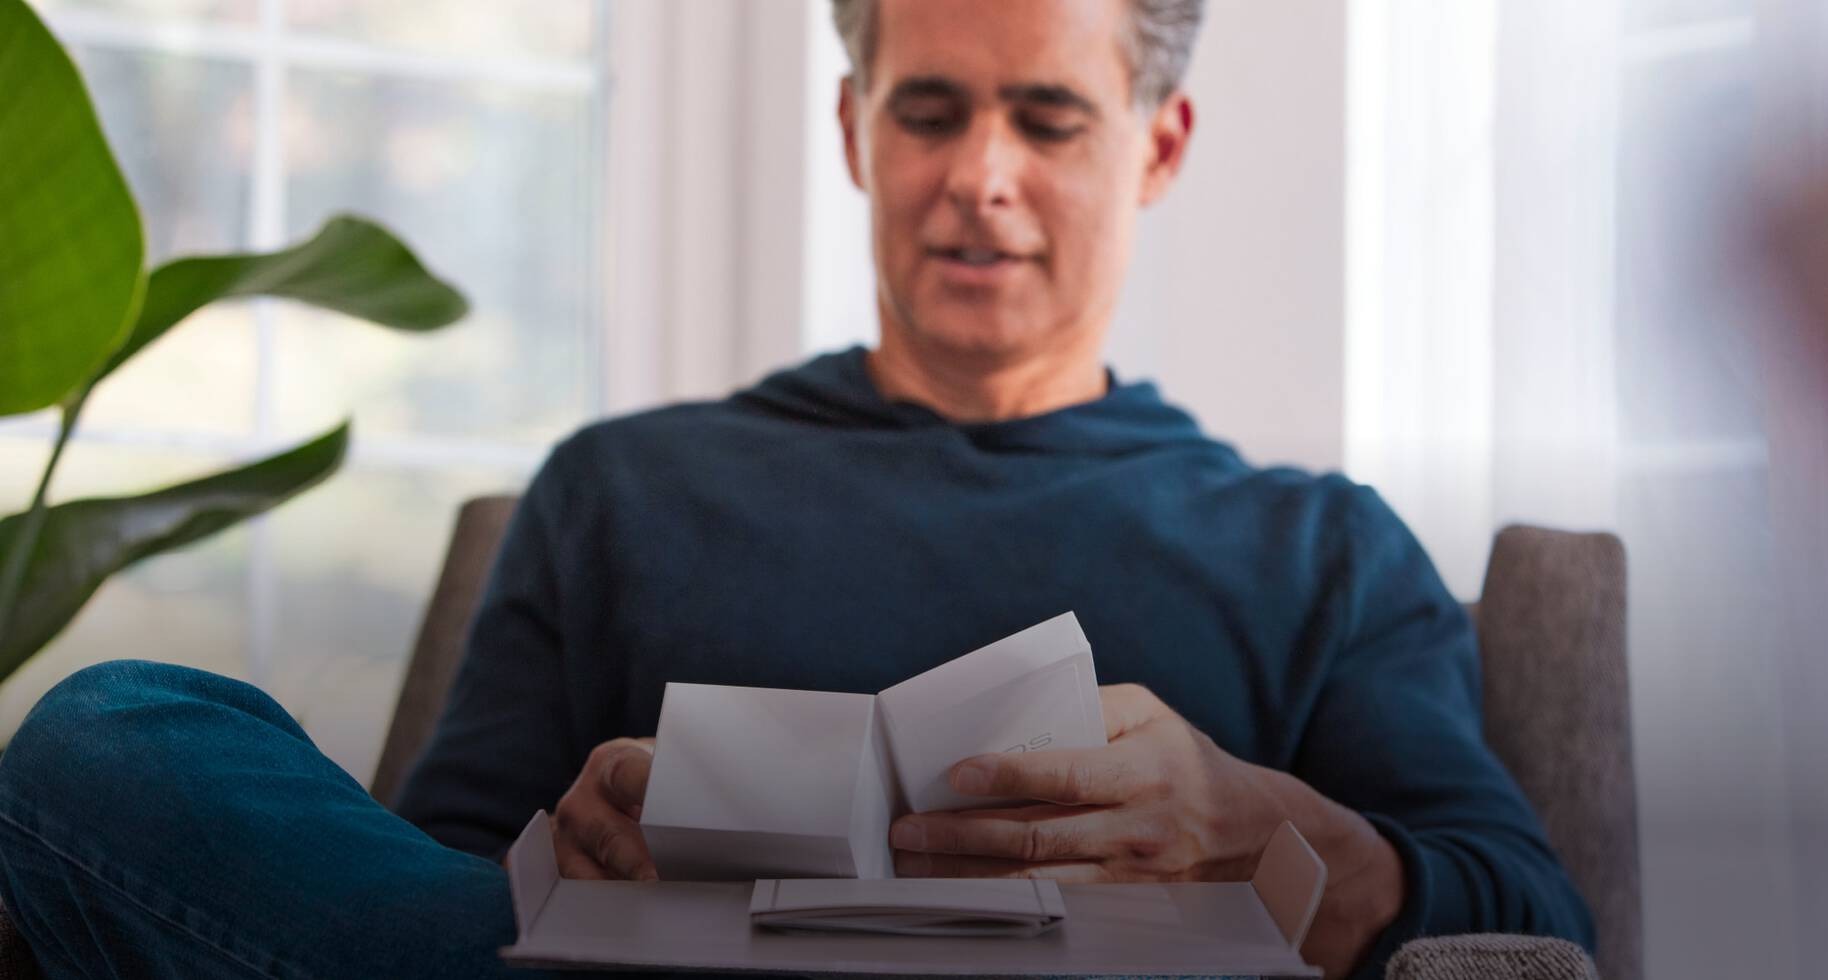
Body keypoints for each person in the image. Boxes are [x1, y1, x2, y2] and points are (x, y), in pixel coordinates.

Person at [0, 2, 1594, 978]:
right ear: (854, 127)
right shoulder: (623, 487)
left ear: (1157, 145)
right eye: (931, 110)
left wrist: (1266, 832)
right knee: (115, 732)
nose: (982, 174)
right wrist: (570, 849)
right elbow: (428, 891)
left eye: (1047, 117)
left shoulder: (1317, 544)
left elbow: (1528, 918)